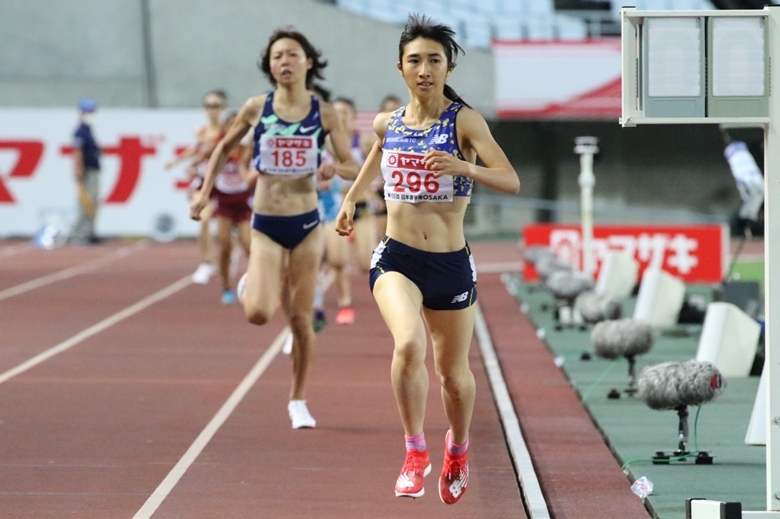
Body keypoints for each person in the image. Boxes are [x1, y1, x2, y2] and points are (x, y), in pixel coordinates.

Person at [335, 14, 520, 504]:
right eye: (414, 60)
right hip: (397, 258)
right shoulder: (388, 121)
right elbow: (378, 150)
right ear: (400, 68)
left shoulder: (466, 122)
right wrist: (351, 197)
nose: (424, 69)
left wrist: (464, 167)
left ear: (449, 67)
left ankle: (456, 448)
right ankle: (415, 451)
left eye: (433, 60)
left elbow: (510, 180)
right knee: (409, 344)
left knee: (454, 377)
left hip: (450, 265)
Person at [190, 27, 359, 429]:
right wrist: (203, 194)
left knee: (301, 320)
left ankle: (298, 399)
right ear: (269, 65)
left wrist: (334, 167)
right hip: (265, 223)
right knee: (260, 314)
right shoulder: (256, 107)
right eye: (277, 56)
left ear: (308, 62)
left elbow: (355, 164)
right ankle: (253, 283)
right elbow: (222, 148)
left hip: (306, 225)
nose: (284, 61)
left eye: (292, 54)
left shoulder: (324, 111)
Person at [167, 90, 228, 284]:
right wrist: (176, 162)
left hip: (225, 183)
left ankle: (229, 259)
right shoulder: (202, 132)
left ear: (223, 108)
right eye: (209, 106)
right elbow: (194, 150)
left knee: (230, 228)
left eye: (217, 106)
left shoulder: (228, 132)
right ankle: (206, 262)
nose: (213, 111)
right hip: (203, 182)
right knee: (203, 218)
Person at [210, 112, 255, 305]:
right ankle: (226, 286)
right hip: (224, 202)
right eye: (229, 124)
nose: (233, 129)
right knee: (225, 245)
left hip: (244, 202)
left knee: (248, 246)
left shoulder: (247, 150)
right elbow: (204, 161)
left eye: (237, 125)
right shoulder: (219, 148)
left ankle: (255, 284)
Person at [69, 99, 101, 245]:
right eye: (88, 111)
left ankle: (89, 231)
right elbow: (78, 152)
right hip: (86, 171)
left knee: (93, 202)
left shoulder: (88, 130)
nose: (91, 114)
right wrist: (78, 169)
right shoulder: (80, 131)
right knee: (85, 202)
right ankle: (80, 233)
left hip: (93, 170)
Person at [371, 94, 403, 238]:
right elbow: (365, 167)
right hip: (381, 191)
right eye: (390, 111)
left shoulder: (411, 139)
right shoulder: (374, 141)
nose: (394, 115)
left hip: (404, 190)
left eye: (397, 110)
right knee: (382, 235)